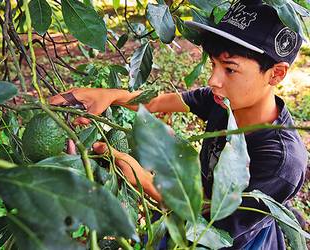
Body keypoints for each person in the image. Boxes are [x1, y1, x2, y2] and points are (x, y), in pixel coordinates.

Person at [49, 0, 308, 248]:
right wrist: (110, 96)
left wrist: (147, 183)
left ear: (276, 73)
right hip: (185, 212)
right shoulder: (222, 101)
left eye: (229, 69)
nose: (213, 80)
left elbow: (213, 231)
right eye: (213, 64)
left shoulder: (281, 163)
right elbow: (157, 102)